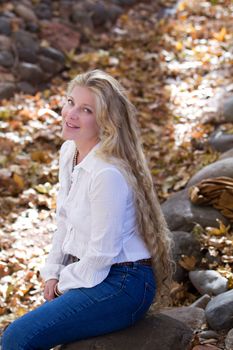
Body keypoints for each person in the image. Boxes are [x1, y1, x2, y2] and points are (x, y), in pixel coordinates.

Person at [2, 69, 174, 349]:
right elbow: (64, 220)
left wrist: (61, 285)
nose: (70, 114)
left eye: (86, 110)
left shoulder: (106, 174)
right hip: (92, 271)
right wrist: (52, 271)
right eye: (70, 102)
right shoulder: (70, 152)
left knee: (17, 338)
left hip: (123, 283)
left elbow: (101, 255)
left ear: (106, 121)